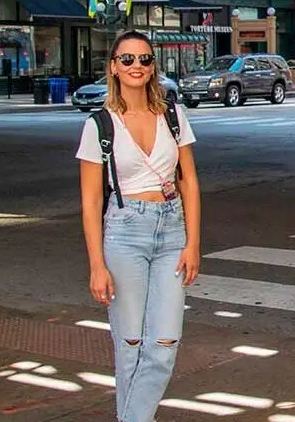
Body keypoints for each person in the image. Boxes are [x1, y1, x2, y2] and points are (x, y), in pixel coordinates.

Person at [76, 31, 202, 422]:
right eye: (127, 59)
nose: (137, 66)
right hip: (124, 231)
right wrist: (96, 264)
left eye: (145, 59)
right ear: (113, 66)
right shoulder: (99, 125)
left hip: (171, 229)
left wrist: (193, 243)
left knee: (164, 343)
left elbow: (190, 182)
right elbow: (92, 200)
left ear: (153, 67)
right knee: (129, 343)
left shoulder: (172, 115)